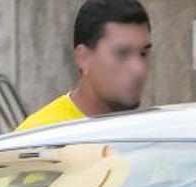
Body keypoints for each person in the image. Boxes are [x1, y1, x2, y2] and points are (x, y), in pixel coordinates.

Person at [16, 0, 152, 132]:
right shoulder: (40, 138)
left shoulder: (152, 134)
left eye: (143, 53)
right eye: (122, 53)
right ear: (83, 57)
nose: (138, 68)